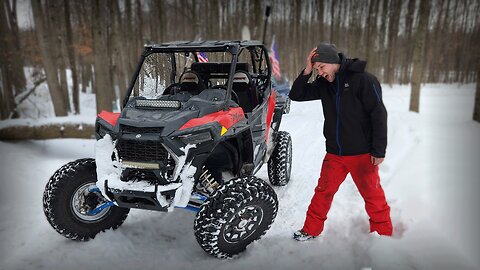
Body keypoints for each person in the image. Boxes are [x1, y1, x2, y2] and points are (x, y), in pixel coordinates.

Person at [289, 43, 393, 241]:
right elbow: (296, 95)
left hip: (362, 154)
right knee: (322, 192)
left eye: (321, 67)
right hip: (335, 153)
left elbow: (378, 114)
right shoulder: (323, 84)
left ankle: (384, 235)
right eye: (317, 68)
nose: (320, 72)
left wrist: (378, 151)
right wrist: (307, 71)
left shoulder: (363, 80)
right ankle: (310, 230)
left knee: (373, 196)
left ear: (333, 62)